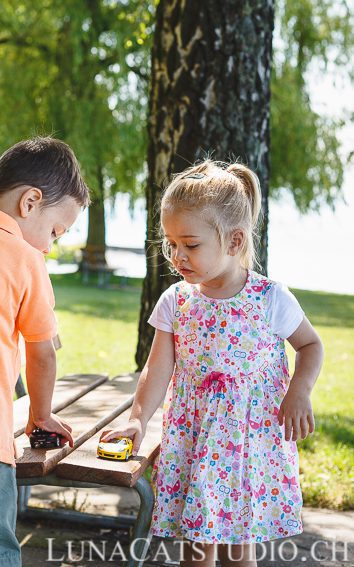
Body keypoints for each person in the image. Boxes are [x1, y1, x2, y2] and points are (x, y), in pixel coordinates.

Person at [101, 161, 324, 567]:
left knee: (240, 553)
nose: (177, 256)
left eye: (190, 244)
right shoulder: (176, 300)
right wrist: (138, 419)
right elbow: (157, 369)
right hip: (195, 438)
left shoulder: (270, 298)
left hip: (248, 446)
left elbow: (310, 344)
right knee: (197, 551)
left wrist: (299, 390)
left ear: (234, 241)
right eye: (171, 244)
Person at [0, 136, 89, 566]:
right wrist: (40, 415)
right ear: (30, 202)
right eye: (55, 231)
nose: (50, 246)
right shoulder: (26, 260)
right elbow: (43, 350)